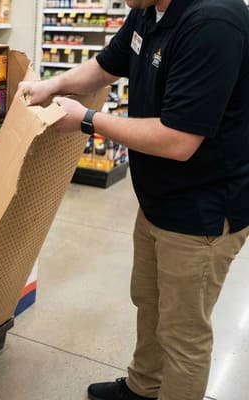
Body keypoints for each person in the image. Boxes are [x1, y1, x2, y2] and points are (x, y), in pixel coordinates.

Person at [16, 0, 249, 399]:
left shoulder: (214, 21)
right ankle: (143, 387)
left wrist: (88, 121)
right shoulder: (147, 9)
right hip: (160, 197)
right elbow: (106, 65)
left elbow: (179, 141)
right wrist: (53, 85)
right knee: (150, 301)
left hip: (203, 210)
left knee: (184, 335)